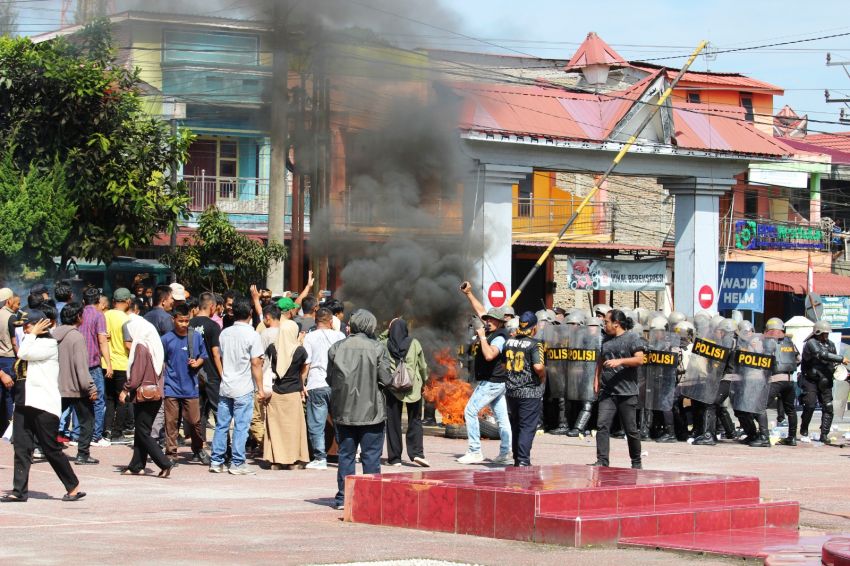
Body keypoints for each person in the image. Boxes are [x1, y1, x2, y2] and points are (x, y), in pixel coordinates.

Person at [3, 309, 86, 502]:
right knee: (21, 449)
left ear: (41, 325)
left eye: (28, 325)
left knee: (50, 449)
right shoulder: (31, 341)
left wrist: (31, 335)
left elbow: (23, 353)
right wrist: (30, 335)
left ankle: (73, 486)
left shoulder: (48, 344)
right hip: (24, 402)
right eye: (23, 327)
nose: (24, 330)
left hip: (43, 405)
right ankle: (19, 491)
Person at [328, 309, 392, 510]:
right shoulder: (378, 348)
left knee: (346, 456)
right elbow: (387, 379)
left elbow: (330, 379)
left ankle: (343, 498)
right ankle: (371, 499)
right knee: (371, 457)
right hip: (372, 412)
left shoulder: (336, 348)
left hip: (343, 411)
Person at [457, 281, 512, 465]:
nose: (487, 321)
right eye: (486, 319)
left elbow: (490, 356)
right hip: (496, 382)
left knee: (470, 411)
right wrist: (469, 294)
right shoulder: (492, 328)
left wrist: (481, 337)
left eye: (490, 320)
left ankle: (475, 451)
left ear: (499, 322)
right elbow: (481, 310)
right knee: (502, 419)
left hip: (492, 382)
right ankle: (505, 453)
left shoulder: (500, 337)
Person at [209, 297, 265, 475]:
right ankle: (237, 462)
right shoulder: (253, 335)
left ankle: (216, 461)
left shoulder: (225, 333)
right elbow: (256, 363)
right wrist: (260, 388)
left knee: (222, 424)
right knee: (241, 425)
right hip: (243, 387)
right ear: (250, 314)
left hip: (226, 384)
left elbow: (219, 355)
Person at [119, 312, 173, 477]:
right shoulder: (152, 345)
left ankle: (164, 463)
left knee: (142, 432)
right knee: (141, 430)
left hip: (144, 394)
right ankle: (136, 465)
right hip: (154, 394)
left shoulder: (141, 346)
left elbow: (136, 376)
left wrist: (125, 389)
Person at [592, 309, 646, 469]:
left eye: (606, 322)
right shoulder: (605, 340)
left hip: (627, 392)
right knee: (602, 425)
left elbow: (640, 359)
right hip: (607, 392)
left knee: (631, 430)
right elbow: (600, 361)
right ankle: (602, 461)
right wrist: (596, 379)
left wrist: (620, 361)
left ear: (616, 324)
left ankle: (636, 462)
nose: (604, 324)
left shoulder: (632, 337)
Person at [161, 304, 210, 465]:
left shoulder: (195, 336)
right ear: (173, 319)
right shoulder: (166, 339)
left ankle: (198, 448)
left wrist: (197, 363)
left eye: (186, 321)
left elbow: (204, 355)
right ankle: (171, 453)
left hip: (191, 386)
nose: (184, 324)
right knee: (171, 422)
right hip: (171, 386)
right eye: (180, 321)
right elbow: (161, 362)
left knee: (195, 421)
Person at [380, 317, 429, 467]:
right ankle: (417, 454)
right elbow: (422, 366)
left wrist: (388, 329)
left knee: (393, 423)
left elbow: (379, 338)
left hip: (392, 388)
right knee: (415, 420)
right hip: (413, 387)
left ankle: (395, 458)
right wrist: (424, 381)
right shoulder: (414, 343)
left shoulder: (384, 344)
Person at [55, 302, 99, 465]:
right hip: (77, 387)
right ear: (78, 317)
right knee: (87, 420)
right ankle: (83, 454)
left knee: (52, 419)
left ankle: (40, 447)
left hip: (57, 385)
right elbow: (81, 366)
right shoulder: (76, 337)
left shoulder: (53, 334)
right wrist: (91, 387)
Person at [263, 316, 310, 469]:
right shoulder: (300, 350)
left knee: (276, 429)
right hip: (293, 394)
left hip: (275, 394)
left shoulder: (272, 347)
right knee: (293, 429)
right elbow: (304, 369)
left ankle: (276, 461)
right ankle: (293, 461)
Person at [302, 306, 345, 470]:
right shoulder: (340, 336)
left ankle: (320, 458)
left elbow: (306, 363)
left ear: (316, 320)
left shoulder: (310, 337)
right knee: (340, 421)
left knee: (316, 423)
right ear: (331, 321)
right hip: (337, 385)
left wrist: (302, 384)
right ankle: (344, 454)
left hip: (316, 383)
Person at [504, 311, 545, 467]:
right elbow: (538, 366)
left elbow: (503, 365)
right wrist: (543, 375)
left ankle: (517, 459)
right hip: (529, 391)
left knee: (516, 426)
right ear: (533, 328)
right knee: (527, 427)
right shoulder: (535, 344)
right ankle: (523, 460)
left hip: (511, 391)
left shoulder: (509, 342)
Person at [800, 320, 847, 444]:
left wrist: (840, 370)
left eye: (827, 333)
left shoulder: (831, 344)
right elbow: (821, 354)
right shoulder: (811, 343)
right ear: (817, 332)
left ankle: (824, 434)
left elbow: (833, 362)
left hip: (826, 380)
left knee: (828, 407)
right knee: (810, 405)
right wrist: (841, 359)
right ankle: (804, 429)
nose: (826, 336)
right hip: (811, 379)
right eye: (824, 333)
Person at [80, 287, 111, 447]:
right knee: (98, 400)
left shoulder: (78, 313)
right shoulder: (99, 315)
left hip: (77, 364)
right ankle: (95, 435)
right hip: (93, 364)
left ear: (83, 301)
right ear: (98, 301)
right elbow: (102, 341)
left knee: (78, 398)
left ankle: (77, 433)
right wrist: (109, 364)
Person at [103, 288, 133, 444]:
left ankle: (106, 430)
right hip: (122, 362)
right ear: (128, 301)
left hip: (105, 363)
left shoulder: (105, 315)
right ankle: (117, 433)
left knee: (109, 398)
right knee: (122, 398)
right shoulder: (126, 319)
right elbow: (128, 344)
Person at [764, 318, 800, 446]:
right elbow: (798, 359)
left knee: (762, 407)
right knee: (791, 410)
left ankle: (763, 436)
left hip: (775, 380)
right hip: (790, 381)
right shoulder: (790, 342)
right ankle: (792, 438)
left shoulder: (768, 341)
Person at [0, 291, 19, 434]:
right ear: (8, 301)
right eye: (16, 302)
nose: (18, 306)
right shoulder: (11, 317)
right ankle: (8, 430)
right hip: (8, 360)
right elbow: (14, 342)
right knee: (9, 397)